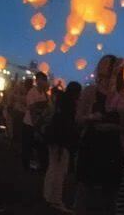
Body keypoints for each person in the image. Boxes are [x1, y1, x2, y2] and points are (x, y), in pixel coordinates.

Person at [75, 55, 124, 214]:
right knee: (85, 192)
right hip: (91, 146)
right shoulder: (90, 92)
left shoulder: (123, 97)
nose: (102, 69)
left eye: (107, 66)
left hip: (112, 150)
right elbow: (78, 119)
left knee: (109, 196)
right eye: (101, 65)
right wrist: (91, 118)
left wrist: (112, 127)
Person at [45, 81, 82, 212]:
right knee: (60, 171)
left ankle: (48, 196)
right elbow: (66, 126)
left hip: (52, 139)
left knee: (52, 167)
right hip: (61, 142)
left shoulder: (60, 101)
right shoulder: (70, 106)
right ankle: (56, 200)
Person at [24, 70, 50, 171]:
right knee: (28, 146)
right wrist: (35, 126)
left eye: (44, 80)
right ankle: (26, 167)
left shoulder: (44, 94)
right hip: (30, 124)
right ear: (38, 81)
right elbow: (32, 110)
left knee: (37, 146)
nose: (44, 83)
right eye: (43, 80)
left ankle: (34, 165)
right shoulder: (32, 92)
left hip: (39, 125)